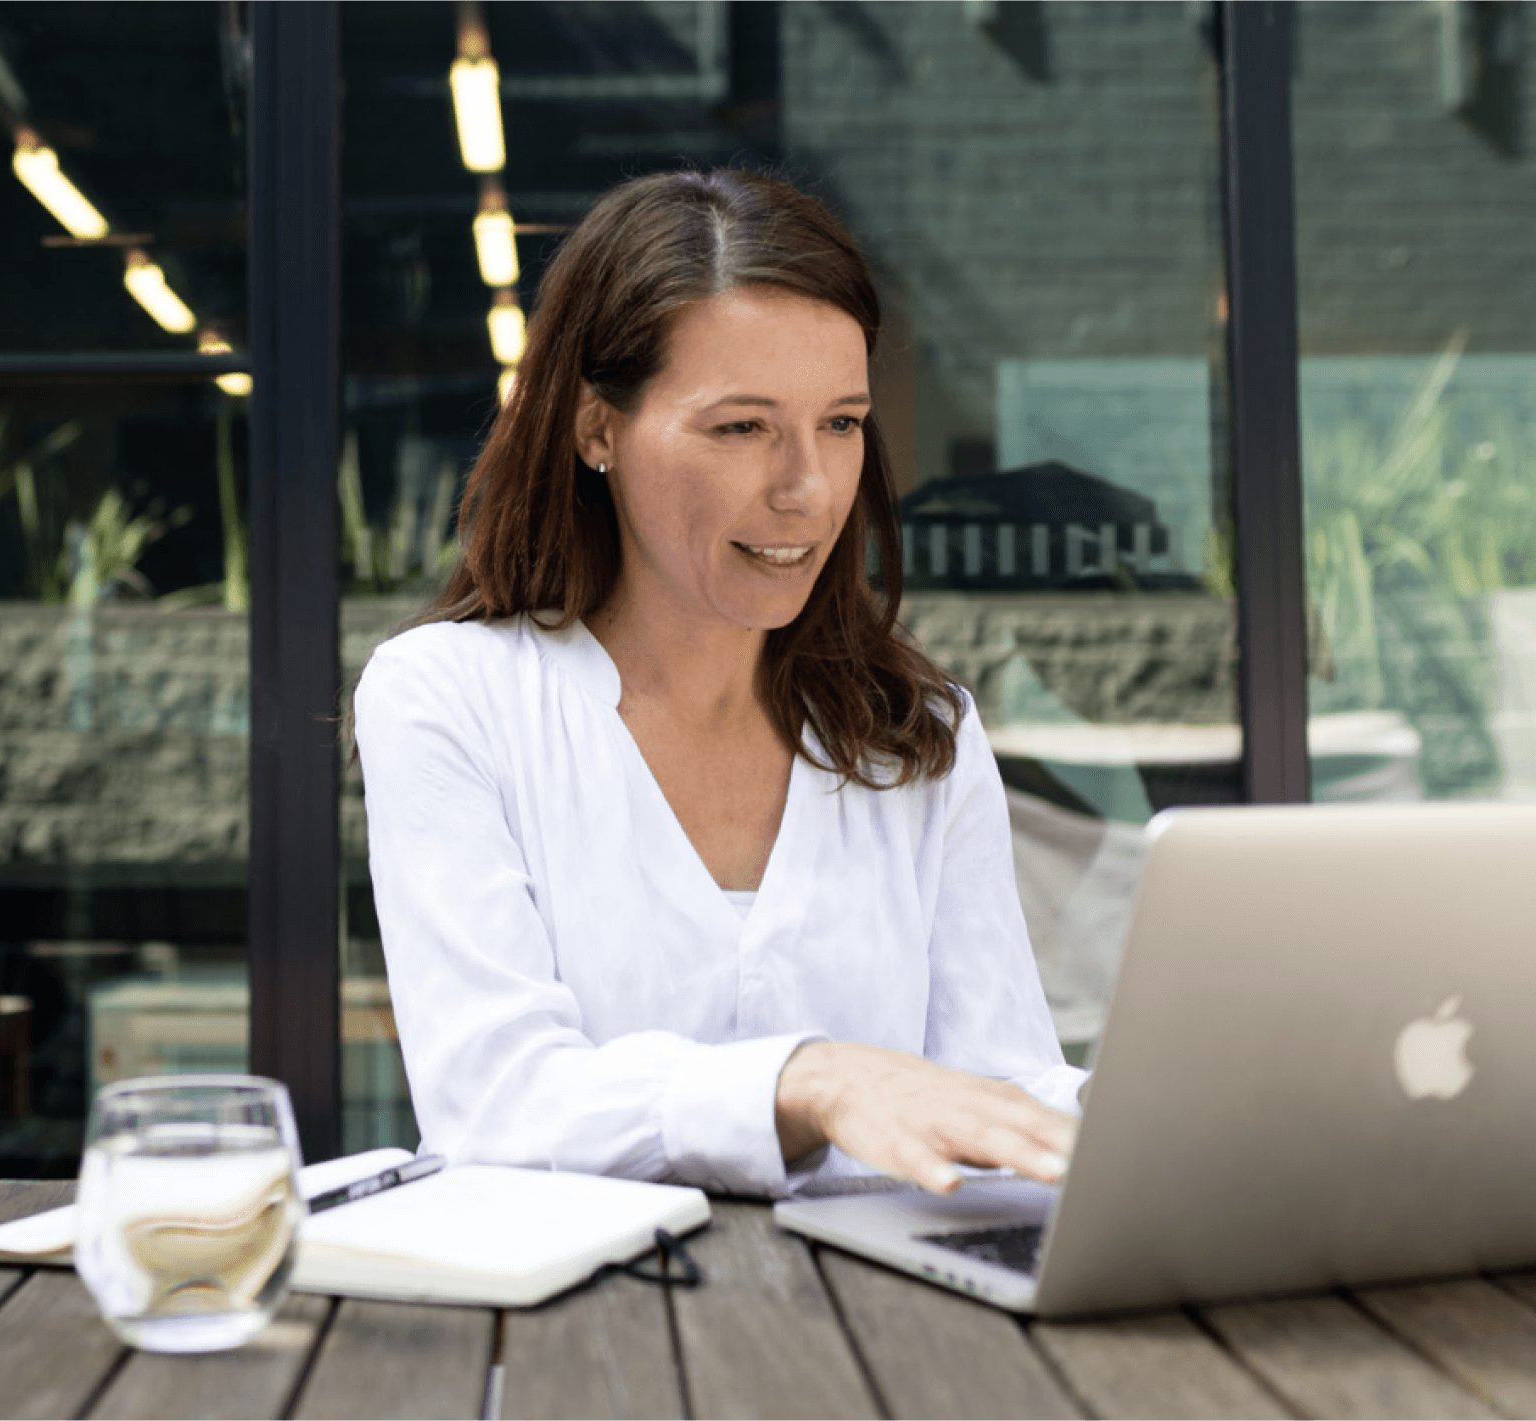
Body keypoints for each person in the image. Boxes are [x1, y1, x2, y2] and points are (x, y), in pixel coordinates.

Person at [350, 166, 1086, 1200]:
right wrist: (806, 1078)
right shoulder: (448, 699)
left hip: (891, 1336)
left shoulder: (916, 734)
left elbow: (992, 1083)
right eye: (741, 427)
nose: (807, 488)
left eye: (839, 423)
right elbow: (498, 1104)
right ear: (594, 427)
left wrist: (1177, 1113)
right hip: (585, 1338)